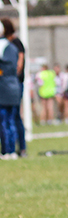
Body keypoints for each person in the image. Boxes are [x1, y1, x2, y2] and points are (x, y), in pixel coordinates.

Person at [0, 18, 20, 159]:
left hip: (3, 88)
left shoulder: (3, 46)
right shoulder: (13, 47)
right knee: (11, 120)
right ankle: (12, 150)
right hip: (14, 87)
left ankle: (7, 151)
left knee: (3, 121)